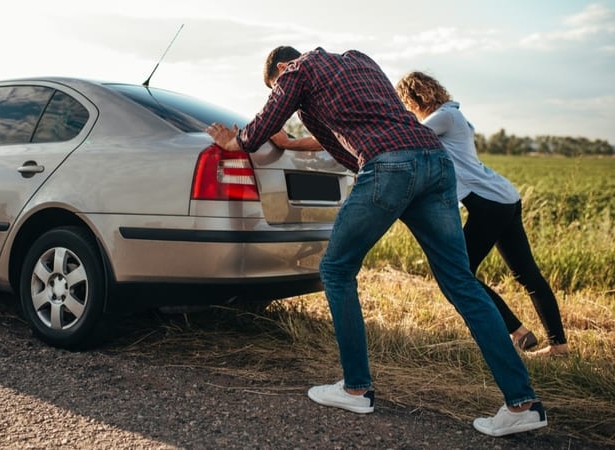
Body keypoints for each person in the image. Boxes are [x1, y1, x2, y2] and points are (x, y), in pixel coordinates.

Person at [206, 46, 547, 437]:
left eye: (276, 82)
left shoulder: (297, 69)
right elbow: (344, 135)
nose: (281, 87)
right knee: (461, 282)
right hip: (435, 162)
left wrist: (239, 142)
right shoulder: (359, 60)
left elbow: (267, 121)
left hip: (390, 165)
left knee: (335, 269)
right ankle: (522, 403)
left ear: (281, 68)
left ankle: (355, 387)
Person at [394, 71, 569, 357]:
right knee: (526, 274)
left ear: (414, 98)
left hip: (489, 203)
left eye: (405, 102)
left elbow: (410, 138)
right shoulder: (451, 115)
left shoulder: (444, 117)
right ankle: (555, 344)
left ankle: (518, 333)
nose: (407, 109)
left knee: (457, 272)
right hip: (503, 199)